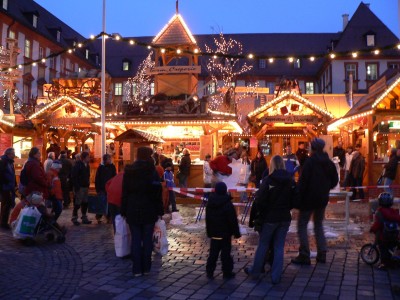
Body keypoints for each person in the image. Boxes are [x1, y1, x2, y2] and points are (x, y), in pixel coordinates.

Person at [246, 155, 297, 283]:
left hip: (270, 218)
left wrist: (263, 213)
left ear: (272, 165)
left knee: (263, 244)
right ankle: (276, 276)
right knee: (279, 246)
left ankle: (256, 271)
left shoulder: (269, 180)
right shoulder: (291, 181)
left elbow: (260, 200)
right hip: (284, 217)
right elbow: (295, 199)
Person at [291, 138, 338, 265]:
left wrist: (298, 196)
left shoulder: (310, 162)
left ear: (313, 148)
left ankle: (304, 254)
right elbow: (335, 181)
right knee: (318, 225)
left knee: (302, 225)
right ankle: (322, 253)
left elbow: (303, 182)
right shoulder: (329, 163)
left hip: (308, 199)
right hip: (322, 199)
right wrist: (325, 188)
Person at [121, 147, 164, 277]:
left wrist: (124, 209)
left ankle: (136, 269)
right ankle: (146, 267)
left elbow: (125, 192)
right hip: (149, 208)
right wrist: (159, 210)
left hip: (133, 208)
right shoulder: (152, 171)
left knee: (135, 239)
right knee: (147, 239)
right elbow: (157, 192)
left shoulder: (129, 171)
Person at [205, 181, 241, 279]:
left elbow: (208, 219)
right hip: (225, 234)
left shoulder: (210, 203)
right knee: (226, 254)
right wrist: (236, 233)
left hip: (214, 233)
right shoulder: (228, 204)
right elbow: (232, 220)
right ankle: (227, 272)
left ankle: (210, 271)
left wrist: (209, 232)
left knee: (213, 254)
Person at [370, 192, 400, 269]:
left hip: (384, 235)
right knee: (391, 247)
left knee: (383, 249)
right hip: (395, 234)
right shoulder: (394, 211)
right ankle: (394, 261)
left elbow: (378, 224)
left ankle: (385, 264)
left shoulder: (379, 212)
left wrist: (372, 229)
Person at [71, 151, 92, 225]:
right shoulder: (78, 165)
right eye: (88, 157)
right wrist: (77, 186)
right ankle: (74, 217)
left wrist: (88, 183)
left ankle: (84, 217)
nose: (89, 158)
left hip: (85, 186)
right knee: (77, 203)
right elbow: (74, 176)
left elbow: (87, 175)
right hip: (80, 187)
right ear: (84, 158)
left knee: (85, 202)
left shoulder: (87, 165)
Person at [95, 154, 117, 224]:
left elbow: (114, 176)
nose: (110, 160)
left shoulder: (112, 167)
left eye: (110, 159)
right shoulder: (101, 168)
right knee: (101, 202)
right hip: (102, 187)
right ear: (105, 160)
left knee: (109, 203)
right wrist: (97, 188)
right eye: (109, 159)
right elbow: (97, 179)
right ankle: (98, 216)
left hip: (110, 188)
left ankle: (109, 217)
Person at [0, 148, 16, 229]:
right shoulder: (4, 161)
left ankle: (3, 222)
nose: (14, 155)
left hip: (9, 186)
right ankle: (3, 223)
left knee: (6, 204)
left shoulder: (10, 162)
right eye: (13, 153)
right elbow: (1, 173)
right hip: (5, 187)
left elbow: (12, 174)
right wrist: (5, 182)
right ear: (9, 154)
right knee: (7, 203)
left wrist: (15, 184)